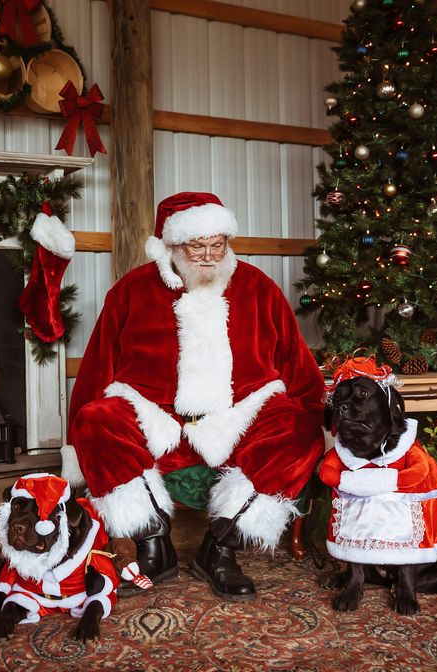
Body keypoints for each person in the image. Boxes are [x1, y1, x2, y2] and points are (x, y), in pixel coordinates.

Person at [61, 191, 326, 602]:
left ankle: (220, 549)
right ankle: (154, 546)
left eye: (216, 245)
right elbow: (98, 365)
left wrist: (313, 422)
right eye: (196, 246)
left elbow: (296, 363)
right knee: (95, 419)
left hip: (241, 415)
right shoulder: (130, 291)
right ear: (170, 245)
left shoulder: (259, 288)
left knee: (298, 429)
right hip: (154, 417)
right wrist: (76, 440)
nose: (207, 256)